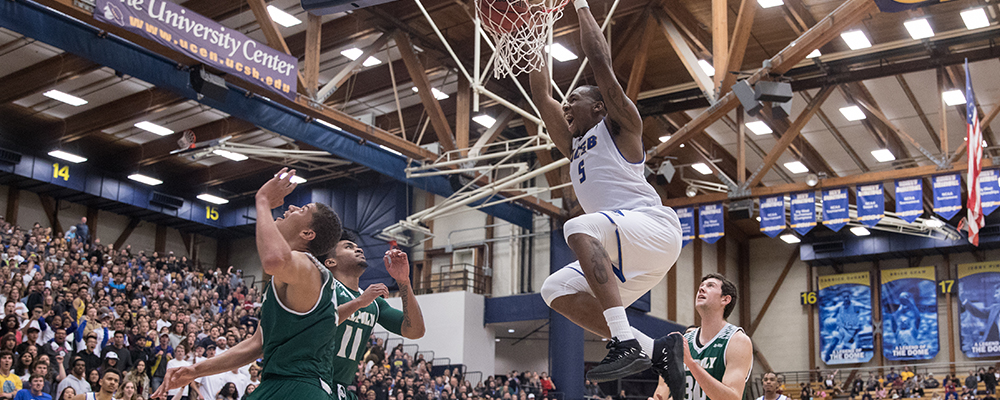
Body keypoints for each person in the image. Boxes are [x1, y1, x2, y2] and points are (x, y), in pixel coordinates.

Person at [528, 0, 683, 385]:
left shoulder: (621, 126)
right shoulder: (573, 144)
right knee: (555, 288)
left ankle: (623, 341)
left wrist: (580, 5)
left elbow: (600, 62)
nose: (566, 104)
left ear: (599, 106)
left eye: (574, 99)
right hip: (623, 249)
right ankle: (654, 348)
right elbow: (542, 96)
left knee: (578, 226)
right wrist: (531, 31)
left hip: (653, 228)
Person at [153, 168, 387, 400]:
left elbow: (274, 260)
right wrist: (195, 371)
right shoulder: (295, 275)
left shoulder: (308, 266)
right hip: (281, 385)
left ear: (307, 233)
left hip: (300, 388)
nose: (292, 207)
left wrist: (263, 201)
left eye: (302, 209)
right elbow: (257, 344)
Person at [323, 231, 426, 400]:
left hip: (342, 389)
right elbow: (318, 322)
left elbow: (415, 331)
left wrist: (404, 281)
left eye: (358, 246)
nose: (359, 250)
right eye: (349, 247)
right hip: (313, 381)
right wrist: (360, 302)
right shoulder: (324, 287)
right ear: (330, 261)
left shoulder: (373, 302)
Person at [652, 274, 753, 400]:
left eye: (710, 286)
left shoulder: (737, 341)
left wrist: (691, 363)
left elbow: (732, 398)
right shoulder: (686, 340)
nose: (701, 289)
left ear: (725, 299)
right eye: (701, 286)